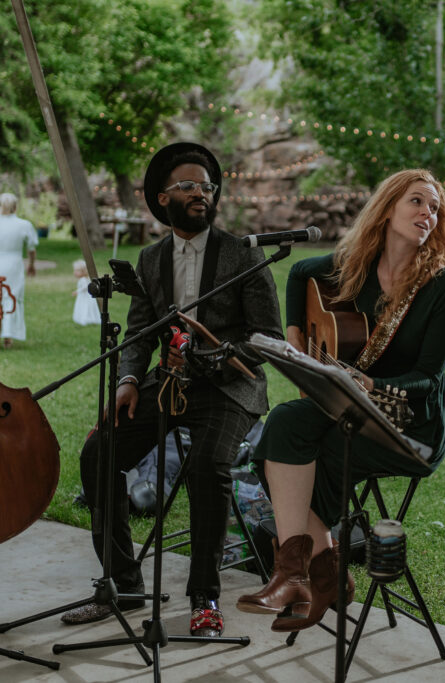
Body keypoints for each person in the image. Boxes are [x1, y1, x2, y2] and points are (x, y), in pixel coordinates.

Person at [61, 142, 283, 638]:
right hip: (168, 386)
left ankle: (204, 596)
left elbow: (267, 337)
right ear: (163, 199)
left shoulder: (243, 253)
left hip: (231, 390)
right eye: (188, 185)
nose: (201, 193)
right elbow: (139, 332)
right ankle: (123, 584)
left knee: (208, 465)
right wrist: (128, 380)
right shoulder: (150, 258)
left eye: (207, 185)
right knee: (100, 453)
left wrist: (215, 358)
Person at [236, 168, 445, 633]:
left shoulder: (443, 288)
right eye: (417, 202)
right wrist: (299, 337)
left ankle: (316, 576)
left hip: (409, 424)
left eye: (435, 208)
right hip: (347, 405)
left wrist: (371, 385)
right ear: (388, 208)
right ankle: (302, 574)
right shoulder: (357, 266)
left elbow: (427, 377)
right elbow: (300, 271)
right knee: (281, 425)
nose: (429, 213)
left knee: (300, 461)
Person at [0, 192, 38, 349]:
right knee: (11, 296)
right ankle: (8, 336)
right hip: (14, 265)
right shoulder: (24, 224)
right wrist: (31, 264)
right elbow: (31, 248)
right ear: (15, 206)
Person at [71, 259, 101, 326]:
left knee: (85, 306)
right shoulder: (83, 279)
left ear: (84, 271)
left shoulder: (83, 279)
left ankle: (86, 318)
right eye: (75, 270)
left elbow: (85, 287)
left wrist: (77, 291)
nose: (75, 272)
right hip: (83, 296)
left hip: (85, 297)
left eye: (77, 271)